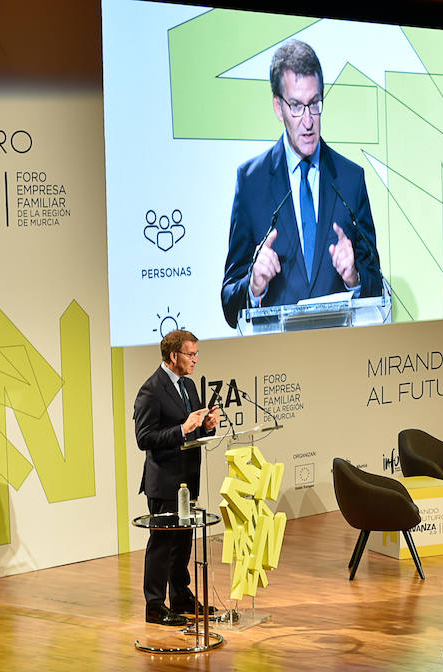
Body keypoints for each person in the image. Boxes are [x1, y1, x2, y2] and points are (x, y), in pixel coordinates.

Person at [221, 39, 383, 328]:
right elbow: (229, 302)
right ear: (278, 107)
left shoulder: (350, 179)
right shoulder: (251, 182)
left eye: (315, 104)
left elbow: (377, 285)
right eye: (296, 106)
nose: (308, 121)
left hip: (341, 357)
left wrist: (355, 278)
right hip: (277, 366)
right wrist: (254, 285)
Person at [133, 329, 220, 625]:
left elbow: (193, 428)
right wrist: (182, 429)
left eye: (196, 354)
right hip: (164, 481)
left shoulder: (189, 386)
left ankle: (181, 596)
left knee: (183, 542)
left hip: (187, 479)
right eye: (190, 354)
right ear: (173, 356)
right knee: (162, 544)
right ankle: (155, 606)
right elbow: (144, 438)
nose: (196, 360)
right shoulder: (151, 390)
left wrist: (206, 426)